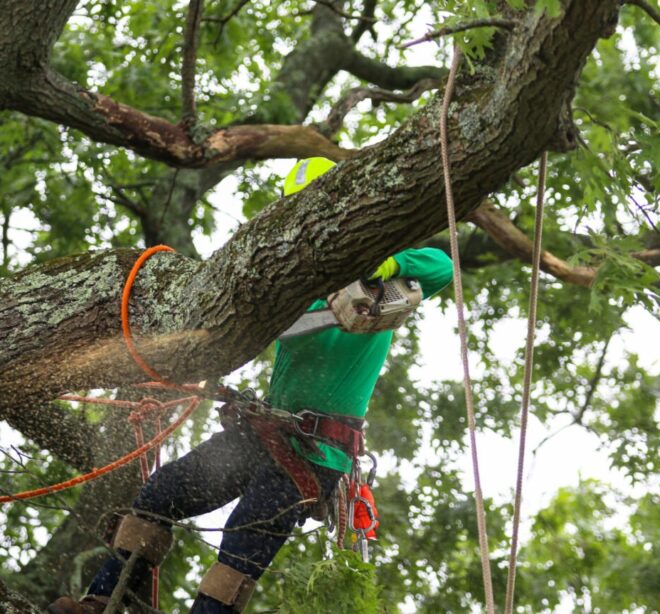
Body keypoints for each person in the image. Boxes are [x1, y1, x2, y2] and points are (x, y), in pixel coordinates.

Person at [49, 157, 453, 613]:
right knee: (161, 493)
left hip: (317, 452)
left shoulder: (384, 277)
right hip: (263, 434)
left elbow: (442, 265)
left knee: (243, 538)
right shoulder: (297, 283)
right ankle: (104, 600)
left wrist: (387, 263)